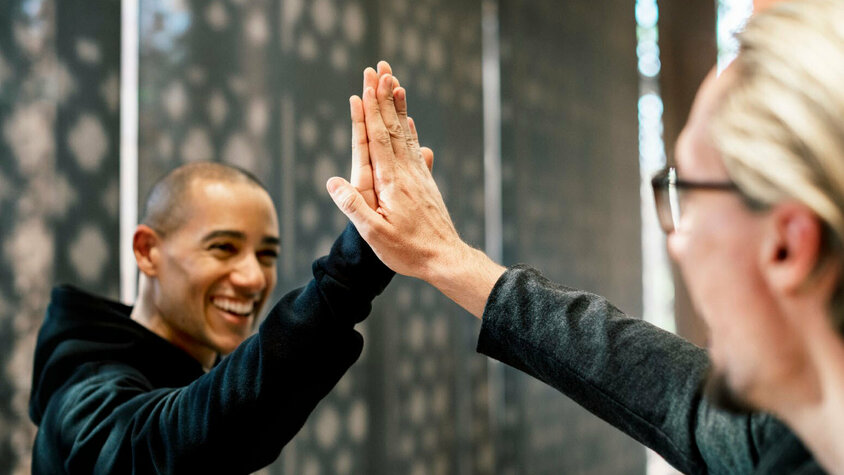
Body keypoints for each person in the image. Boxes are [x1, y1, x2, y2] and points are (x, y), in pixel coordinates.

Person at [326, 0, 844, 473]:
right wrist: (447, 258)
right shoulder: (795, 439)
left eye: (685, 191)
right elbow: (661, 385)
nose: (676, 240)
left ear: (788, 246)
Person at [27, 158, 397, 472]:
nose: (253, 278)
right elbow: (168, 446)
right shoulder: (81, 399)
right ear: (147, 251)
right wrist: (348, 276)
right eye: (223, 248)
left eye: (266, 255)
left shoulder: (193, 371)